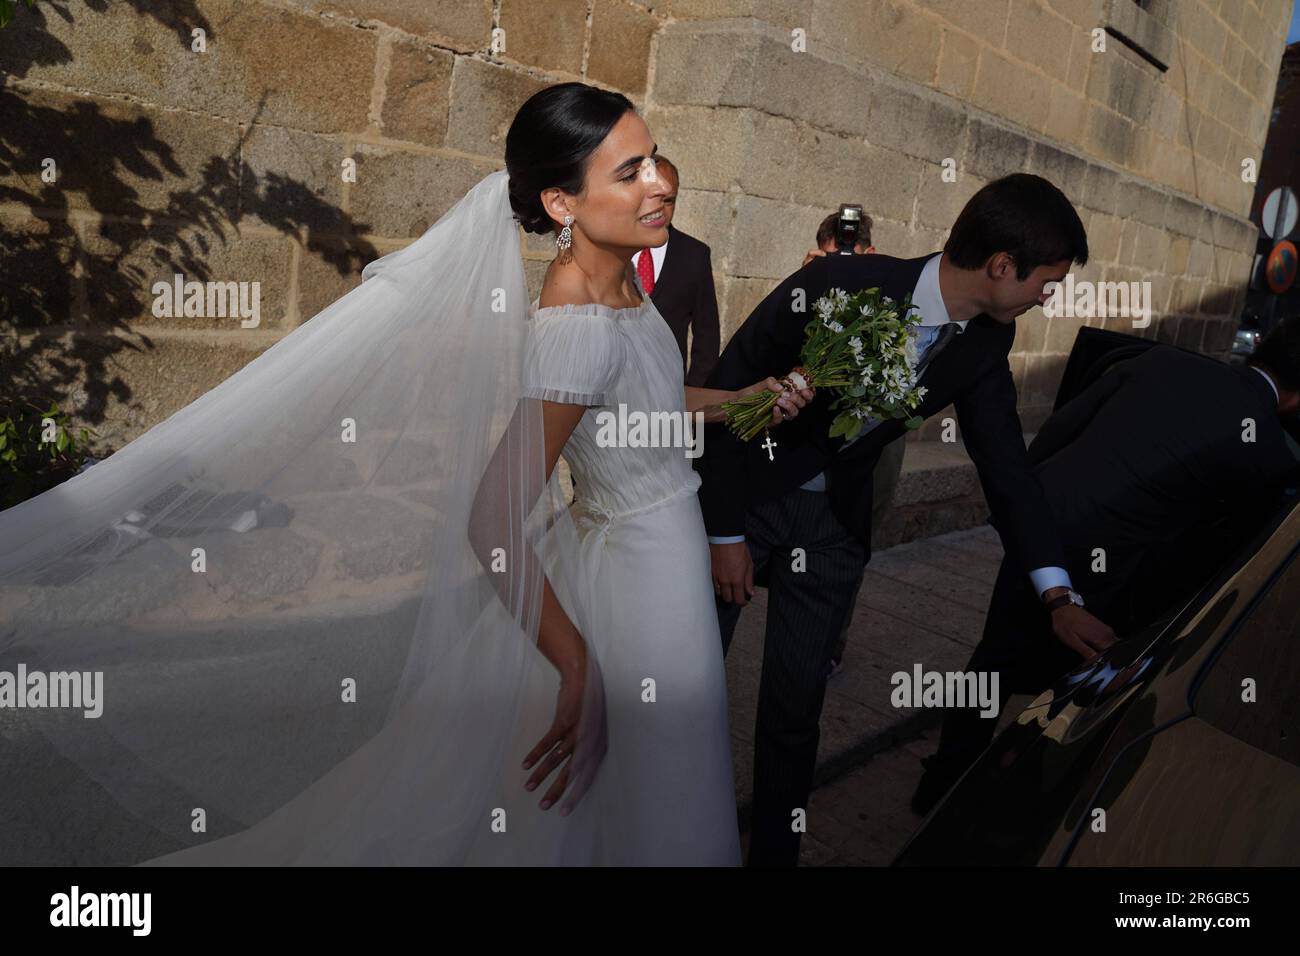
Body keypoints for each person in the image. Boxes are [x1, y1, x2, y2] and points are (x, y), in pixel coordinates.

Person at [0, 82, 814, 866]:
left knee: (629, 802)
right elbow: (492, 521)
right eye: (629, 171)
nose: (660, 183)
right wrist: (574, 661)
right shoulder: (576, 329)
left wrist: (739, 401)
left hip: (657, 555)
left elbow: (641, 396)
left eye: (656, 158)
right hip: (642, 581)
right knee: (659, 798)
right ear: (563, 205)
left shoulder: (622, 285)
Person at [697, 174, 1117, 867]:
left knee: (794, 716)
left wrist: (1057, 592)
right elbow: (724, 393)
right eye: (1048, 281)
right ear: (1002, 266)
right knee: (690, 688)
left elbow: (1008, 472)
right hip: (744, 502)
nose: (1051, 297)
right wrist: (723, 533)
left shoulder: (982, 346)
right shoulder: (839, 282)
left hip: (833, 530)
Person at [911, 317, 1300, 816]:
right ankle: (1013, 797)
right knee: (1073, 686)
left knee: (995, 657)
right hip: (1112, 566)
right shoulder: (1270, 451)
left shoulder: (1160, 361)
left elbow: (1063, 424)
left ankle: (940, 784)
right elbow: (1213, 548)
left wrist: (1028, 507)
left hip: (1043, 531)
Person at [631, 156, 722, 387]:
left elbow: (707, 334)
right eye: (653, 197)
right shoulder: (612, 247)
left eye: (669, 200)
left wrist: (694, 394)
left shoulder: (695, 254)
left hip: (667, 392)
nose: (659, 208)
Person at [801, 209, 877, 267]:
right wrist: (805, 277)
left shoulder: (884, 284)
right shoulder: (817, 282)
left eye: (847, 260)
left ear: (870, 255)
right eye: (830, 260)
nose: (838, 267)